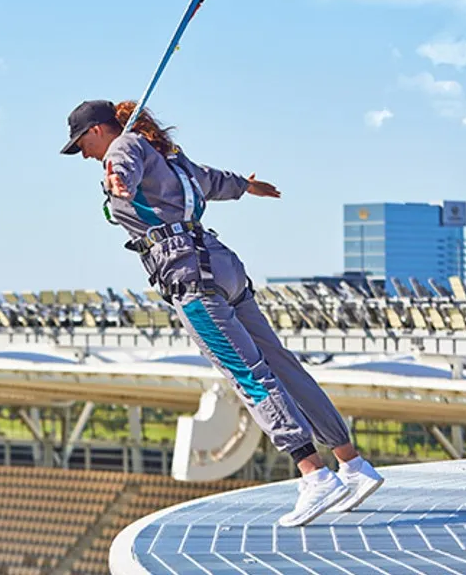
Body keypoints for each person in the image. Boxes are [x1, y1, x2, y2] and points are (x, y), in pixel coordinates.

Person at [60, 99, 384, 527]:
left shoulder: (123, 149)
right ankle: (352, 465)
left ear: (97, 130)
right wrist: (249, 187)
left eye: (81, 143)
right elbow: (214, 180)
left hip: (189, 276)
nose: (83, 154)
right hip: (222, 265)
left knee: (248, 374)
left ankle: (313, 474)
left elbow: (124, 169)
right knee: (283, 366)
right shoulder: (168, 156)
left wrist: (118, 180)